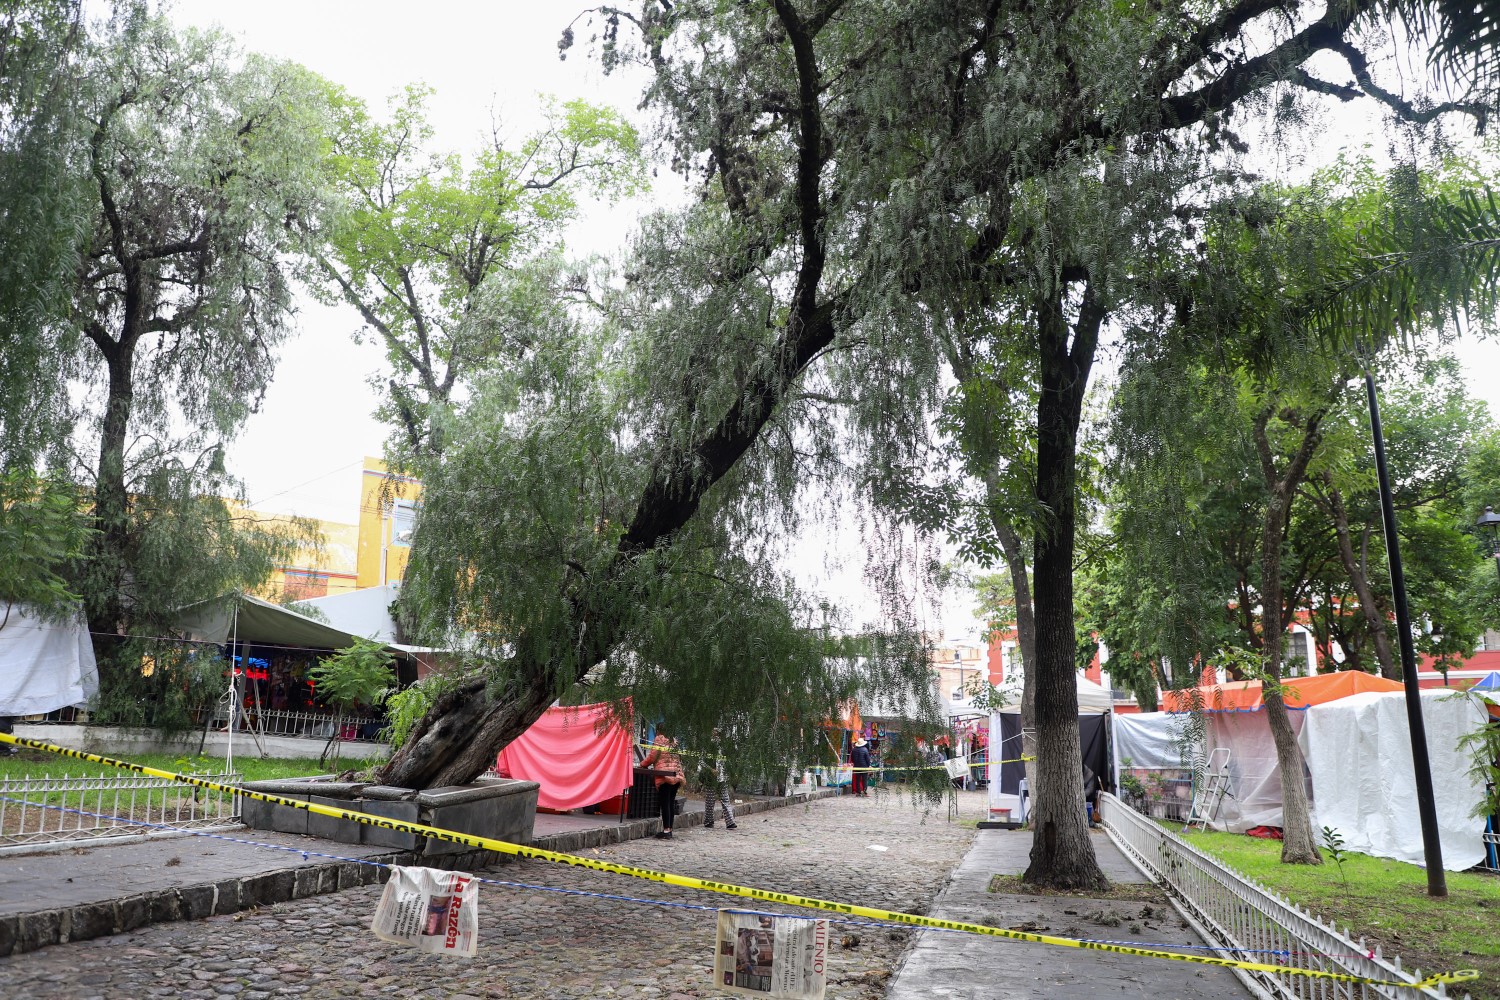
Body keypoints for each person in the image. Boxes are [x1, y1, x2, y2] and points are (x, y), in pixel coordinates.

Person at [640, 732, 686, 839]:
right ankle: (669, 830)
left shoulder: (659, 739)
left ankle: (666, 830)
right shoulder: (674, 740)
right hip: (676, 775)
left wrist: (642, 764)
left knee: (665, 803)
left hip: (665, 776)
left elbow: (652, 756)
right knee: (670, 803)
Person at [702, 729, 737, 829]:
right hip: (711, 778)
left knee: (725, 799)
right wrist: (710, 769)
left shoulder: (724, 747)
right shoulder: (708, 746)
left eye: (717, 734)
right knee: (710, 800)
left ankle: (730, 822)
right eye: (714, 733)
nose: (715, 736)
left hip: (722, 778)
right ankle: (708, 821)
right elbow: (701, 761)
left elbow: (727, 762)